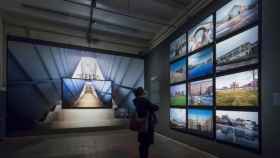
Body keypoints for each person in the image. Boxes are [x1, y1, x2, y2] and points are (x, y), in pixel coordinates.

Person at [133, 87, 159, 158]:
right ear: (142, 93)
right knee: (146, 143)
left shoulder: (136, 101)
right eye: (144, 91)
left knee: (142, 142)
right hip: (147, 124)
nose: (145, 92)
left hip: (141, 124)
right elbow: (155, 107)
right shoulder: (144, 101)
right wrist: (155, 106)